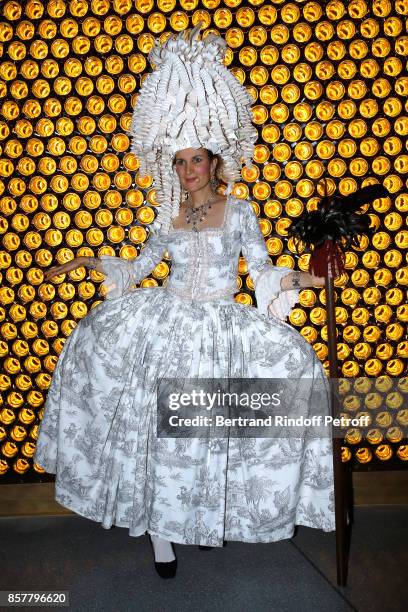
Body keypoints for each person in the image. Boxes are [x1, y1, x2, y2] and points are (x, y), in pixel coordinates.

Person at [34, 24, 335, 580]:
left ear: (214, 162)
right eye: (178, 161)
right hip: (166, 328)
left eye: (195, 160)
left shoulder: (239, 211)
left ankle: (194, 515)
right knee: (159, 432)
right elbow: (140, 266)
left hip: (217, 333)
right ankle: (162, 536)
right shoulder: (167, 217)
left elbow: (263, 271)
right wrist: (86, 263)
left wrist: (309, 280)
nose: (187, 170)